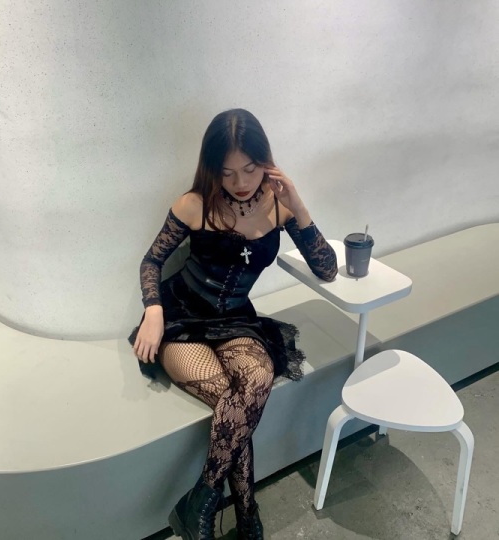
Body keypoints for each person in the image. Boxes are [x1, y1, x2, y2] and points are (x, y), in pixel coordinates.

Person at [131, 109, 338, 540]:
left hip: (236, 321)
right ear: (213, 169)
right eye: (227, 173)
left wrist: (297, 203)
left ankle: (200, 501)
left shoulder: (279, 205)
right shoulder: (194, 204)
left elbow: (327, 268)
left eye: (250, 168)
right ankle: (246, 515)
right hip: (182, 320)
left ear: (266, 161)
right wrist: (153, 310)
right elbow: (152, 260)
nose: (240, 182)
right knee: (235, 402)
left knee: (256, 381)